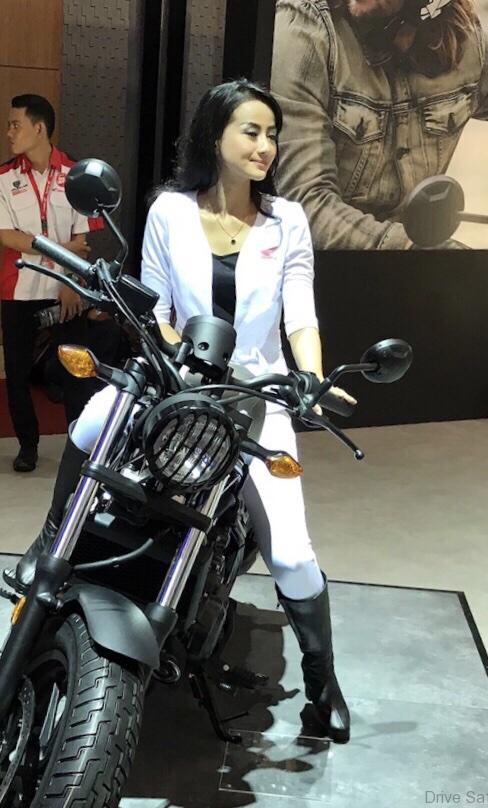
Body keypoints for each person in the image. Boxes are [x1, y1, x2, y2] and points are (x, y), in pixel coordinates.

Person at [8, 80, 356, 743]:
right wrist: (176, 357)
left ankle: (322, 683)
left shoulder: (288, 220)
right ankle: (53, 544)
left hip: (255, 392)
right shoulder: (170, 210)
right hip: (173, 373)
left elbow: (301, 312)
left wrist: (309, 376)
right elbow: (157, 304)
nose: (265, 145)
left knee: (289, 551)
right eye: (251, 131)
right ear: (214, 136)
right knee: (90, 422)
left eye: (272, 134)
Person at [270, 0, 488, 249]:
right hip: (316, 265)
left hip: (413, 262)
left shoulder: (463, 42)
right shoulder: (305, 29)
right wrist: (411, 249)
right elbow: (304, 205)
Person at [0, 94, 119, 472]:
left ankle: (78, 445)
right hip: (17, 289)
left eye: (15, 124)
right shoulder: (4, 178)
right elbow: (8, 237)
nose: (9, 132)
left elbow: (84, 241)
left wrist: (71, 280)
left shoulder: (76, 175)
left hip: (65, 289)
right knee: (16, 374)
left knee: (76, 371)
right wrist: (64, 249)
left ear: (39, 128)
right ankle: (28, 446)